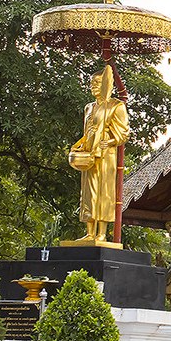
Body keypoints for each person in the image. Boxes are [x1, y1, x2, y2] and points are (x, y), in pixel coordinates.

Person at [66, 64, 129, 245]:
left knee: (104, 192)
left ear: (105, 85)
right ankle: (89, 232)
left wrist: (110, 141)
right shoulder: (89, 108)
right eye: (91, 83)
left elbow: (124, 132)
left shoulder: (116, 106)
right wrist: (79, 146)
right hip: (89, 154)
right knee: (88, 193)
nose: (93, 86)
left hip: (106, 155)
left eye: (97, 83)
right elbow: (87, 132)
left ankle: (101, 233)